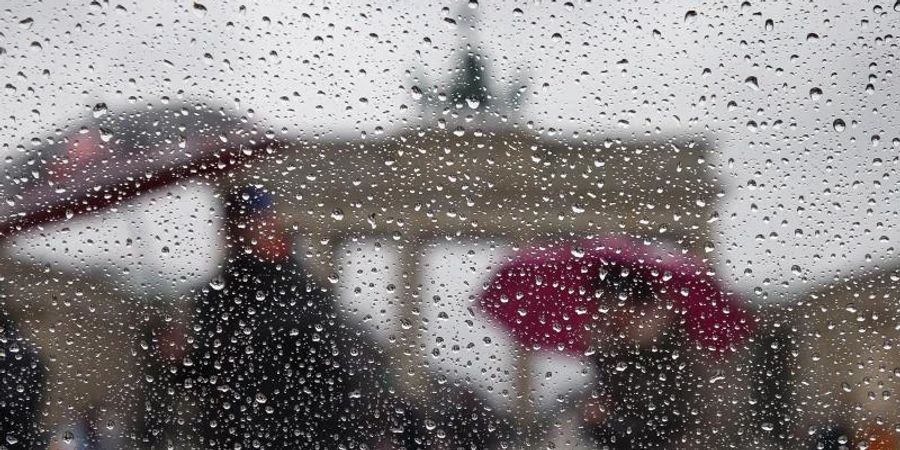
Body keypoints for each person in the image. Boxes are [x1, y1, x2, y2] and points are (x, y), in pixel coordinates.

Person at [187, 185, 358, 448]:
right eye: (234, 222)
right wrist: (179, 360)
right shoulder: (213, 294)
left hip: (293, 431)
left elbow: (331, 369)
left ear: (270, 222)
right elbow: (207, 376)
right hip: (232, 433)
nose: (240, 230)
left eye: (249, 220)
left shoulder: (303, 289)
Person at [582, 263, 697, 449]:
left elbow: (673, 413)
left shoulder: (665, 344)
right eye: (604, 304)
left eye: (615, 302)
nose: (611, 313)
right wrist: (595, 418)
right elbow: (603, 404)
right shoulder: (607, 347)